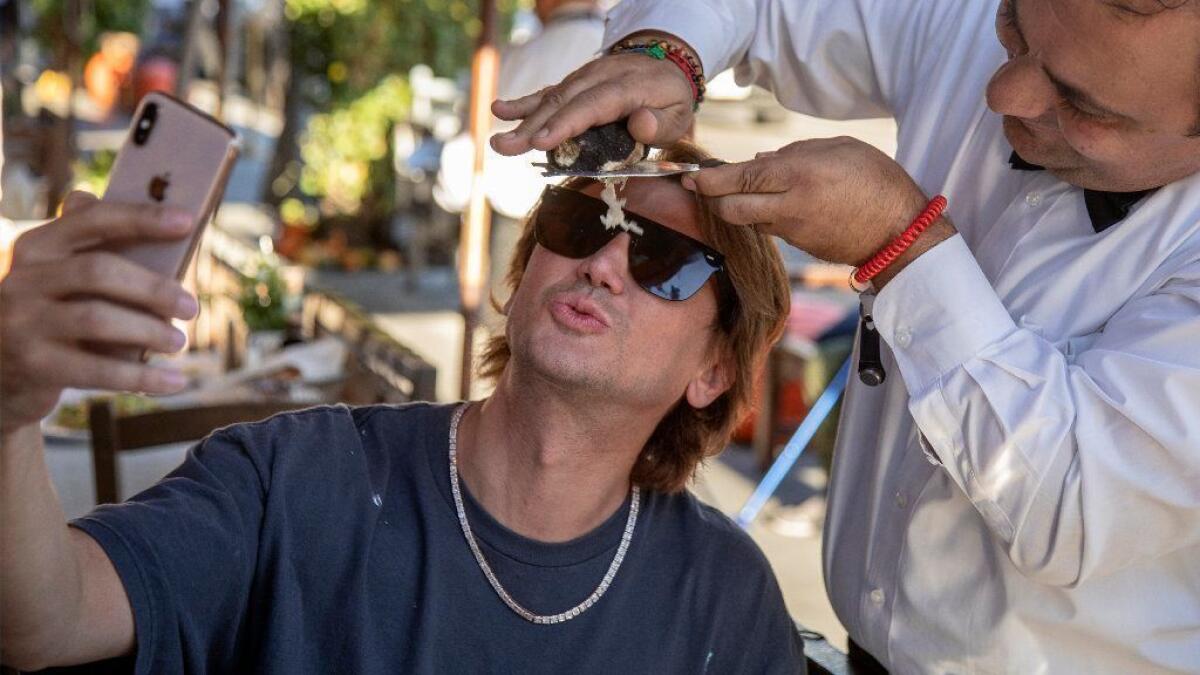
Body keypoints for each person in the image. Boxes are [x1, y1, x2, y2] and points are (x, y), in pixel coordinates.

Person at [490, 1, 1200, 672]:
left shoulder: (716, 592)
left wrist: (905, 243)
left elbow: (1070, 502)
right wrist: (664, 53)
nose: (1002, 94)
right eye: (1013, 27)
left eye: (1082, 106)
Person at [0, 143, 806, 673]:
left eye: (662, 259)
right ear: (524, 267)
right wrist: (7, 410)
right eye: (580, 218)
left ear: (713, 370)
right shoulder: (294, 477)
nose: (601, 262)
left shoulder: (727, 604)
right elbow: (46, 619)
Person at [437, 0, 606, 321]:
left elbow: (469, 141)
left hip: (518, 220)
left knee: (507, 329)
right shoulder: (616, 57)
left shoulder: (513, 58)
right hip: (588, 219)